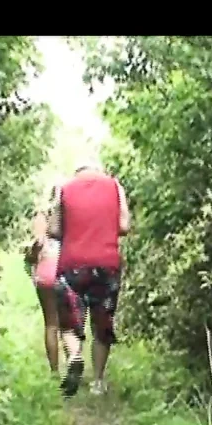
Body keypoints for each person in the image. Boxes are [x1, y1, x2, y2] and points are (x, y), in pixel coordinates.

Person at [46, 164, 131, 397]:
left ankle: (74, 357)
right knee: (102, 323)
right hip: (106, 264)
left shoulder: (64, 188)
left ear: (78, 173)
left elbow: (53, 229)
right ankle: (98, 382)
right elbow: (124, 226)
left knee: (70, 322)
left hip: (72, 265)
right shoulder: (115, 187)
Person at [26, 184, 61, 373]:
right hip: (69, 270)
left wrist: (30, 256)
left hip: (46, 271)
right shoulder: (73, 215)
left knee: (51, 324)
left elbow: (38, 244)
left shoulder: (42, 215)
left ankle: (55, 372)